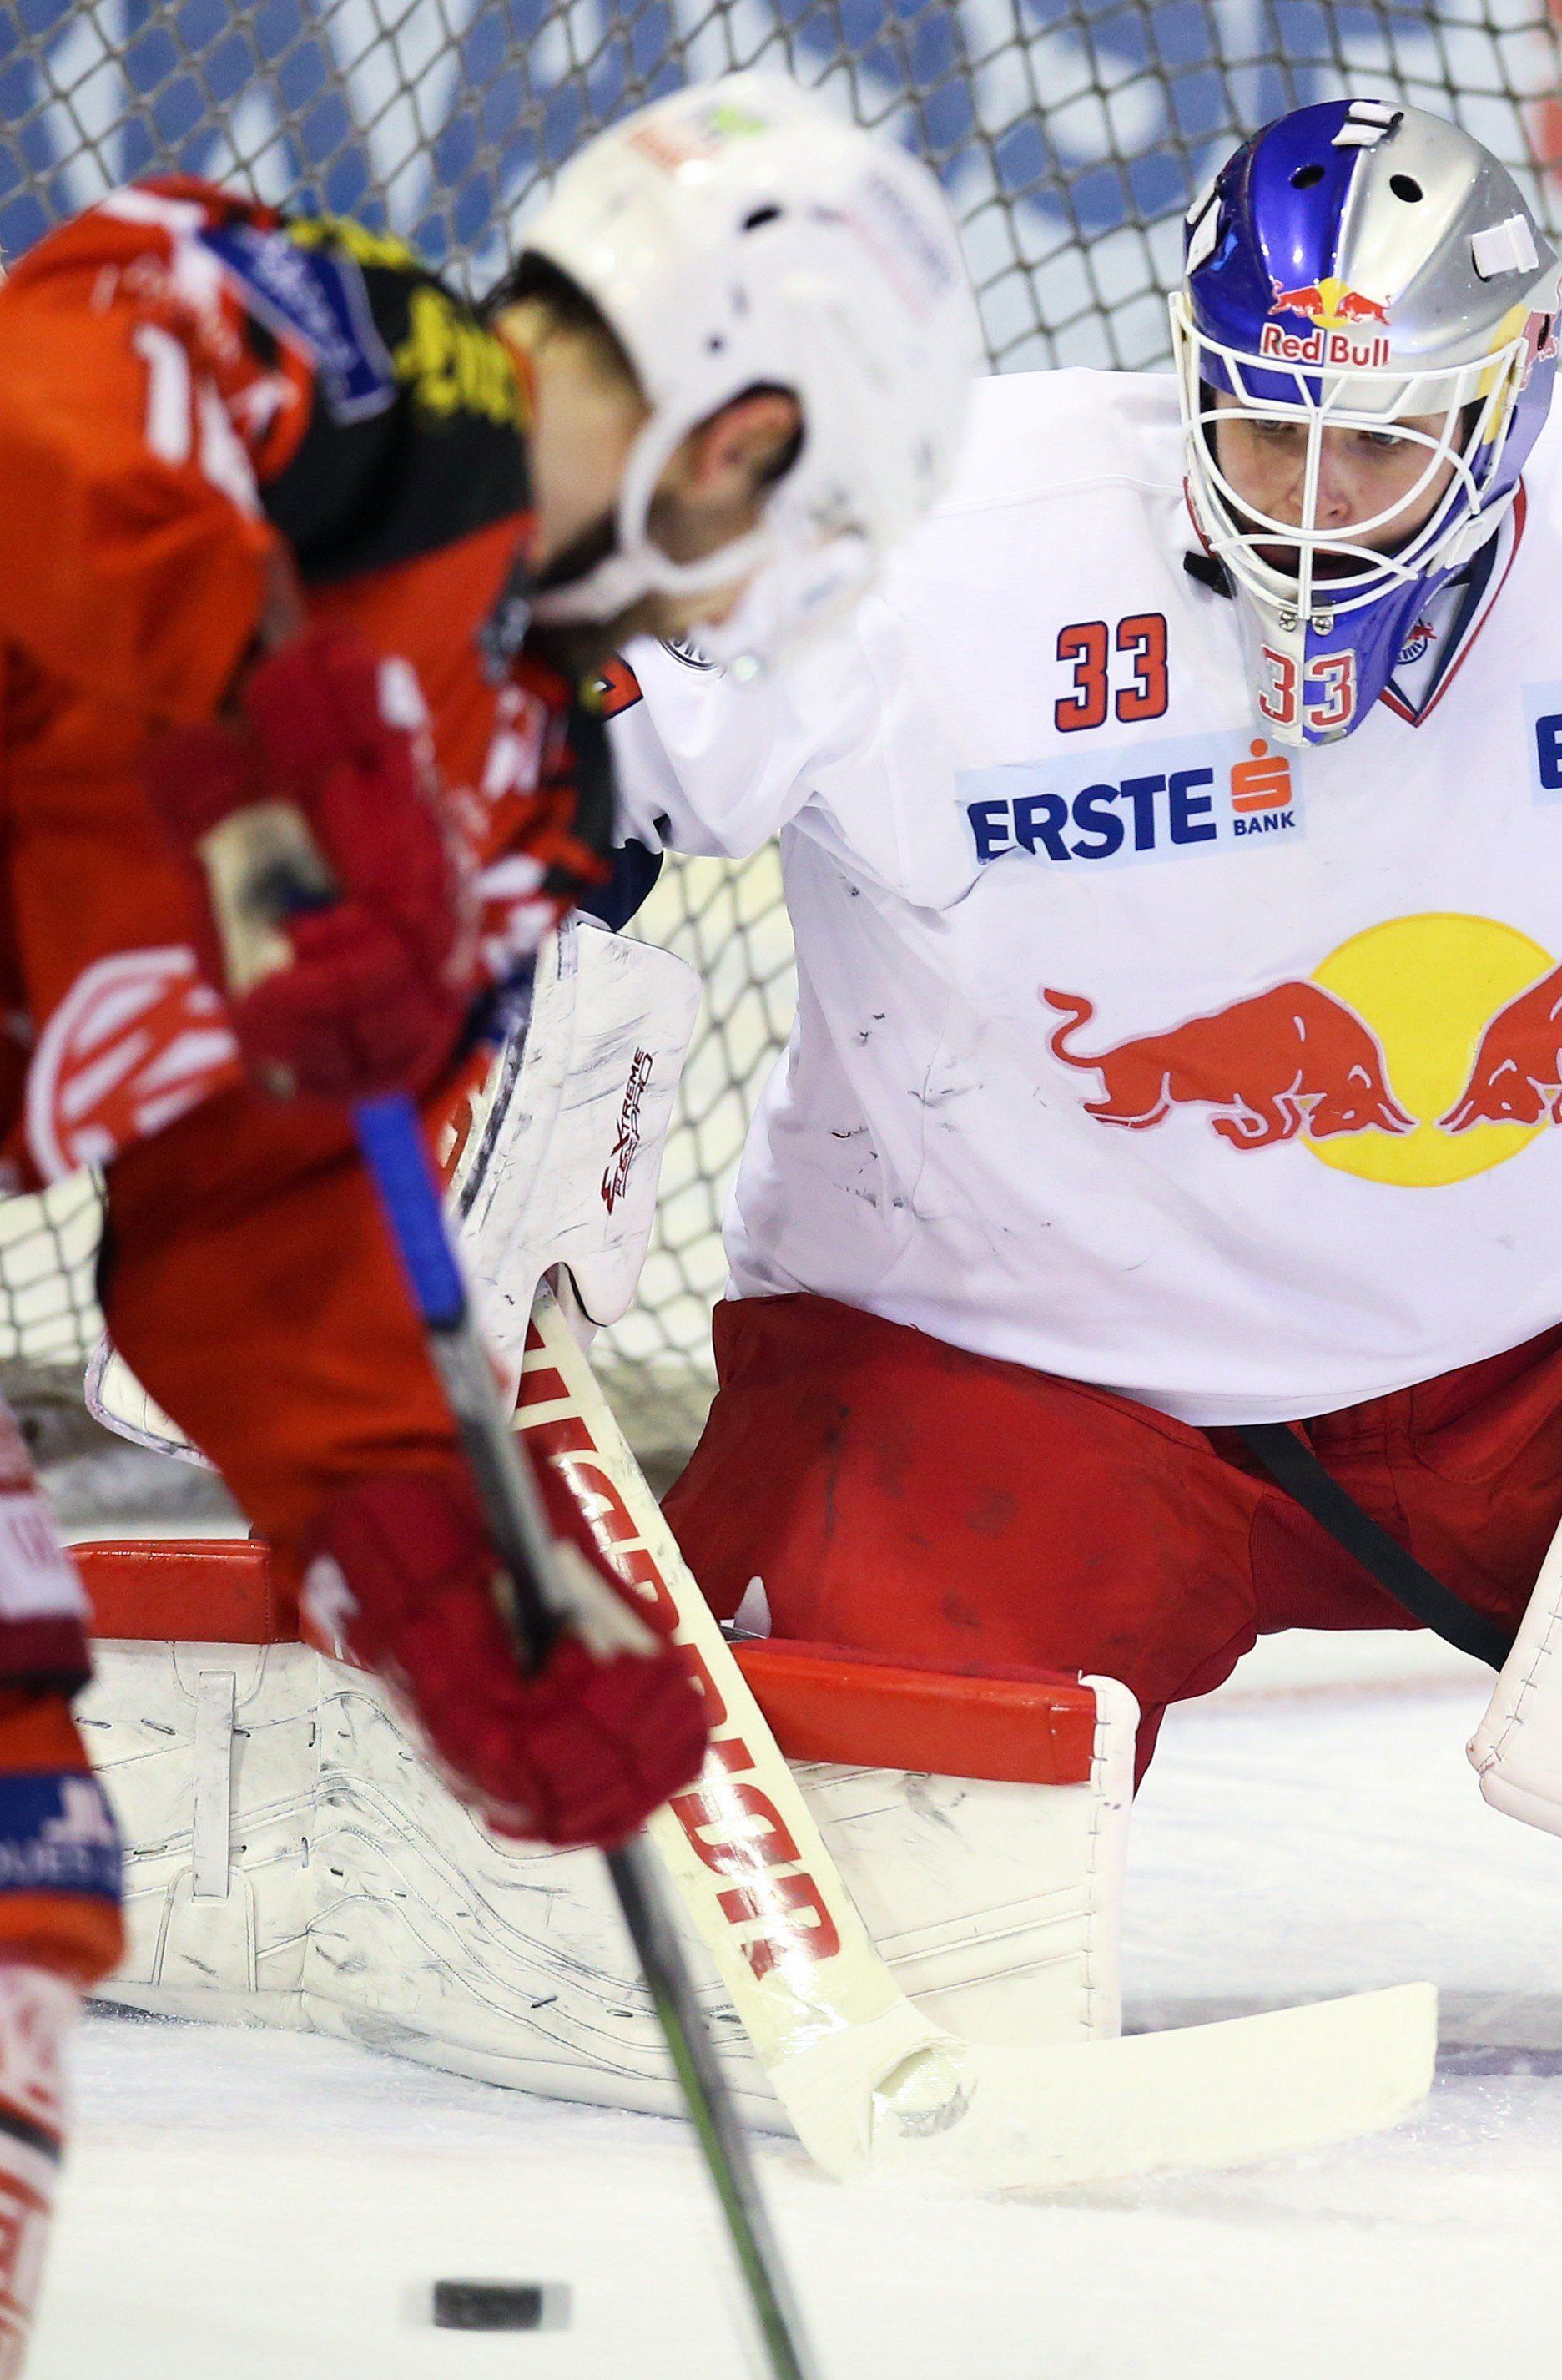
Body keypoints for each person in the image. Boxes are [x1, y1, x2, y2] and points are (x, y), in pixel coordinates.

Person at [603, 94, 1562, 1781]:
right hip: (1010, 1393)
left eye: (1376, 443)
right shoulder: (932, 535)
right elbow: (591, 745)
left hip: (1554, 1375)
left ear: (1504, 403)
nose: (1306, 500)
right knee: (869, 1766)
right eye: (1261, 427)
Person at [0, 70, 976, 2368]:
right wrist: (256, 706)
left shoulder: (507, 784)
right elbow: (35, 433)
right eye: (785, 537)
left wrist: (439, 1573)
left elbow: (261, 1239)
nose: (742, 597)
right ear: (727, 439)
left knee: (24, 1854)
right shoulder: (340, 368)